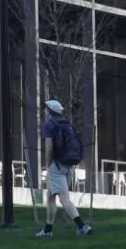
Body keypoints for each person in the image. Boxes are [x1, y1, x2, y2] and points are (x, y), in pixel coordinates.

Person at [37, 100, 92, 237]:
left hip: (56, 165)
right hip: (70, 165)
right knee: (51, 196)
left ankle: (82, 226)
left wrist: (48, 165)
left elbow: (49, 148)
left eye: (45, 109)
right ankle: (47, 230)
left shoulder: (49, 125)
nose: (44, 111)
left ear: (49, 111)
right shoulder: (68, 125)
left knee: (64, 199)